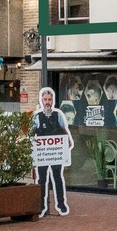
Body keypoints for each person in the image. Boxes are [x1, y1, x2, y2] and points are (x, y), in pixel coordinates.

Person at [32, 86, 73, 217]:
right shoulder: (37, 117)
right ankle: (41, 206)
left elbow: (64, 129)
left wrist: (69, 141)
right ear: (41, 100)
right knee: (42, 179)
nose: (47, 102)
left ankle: (61, 204)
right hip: (42, 154)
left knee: (57, 178)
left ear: (53, 100)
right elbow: (31, 133)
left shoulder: (58, 115)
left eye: (49, 99)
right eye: (45, 99)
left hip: (56, 153)